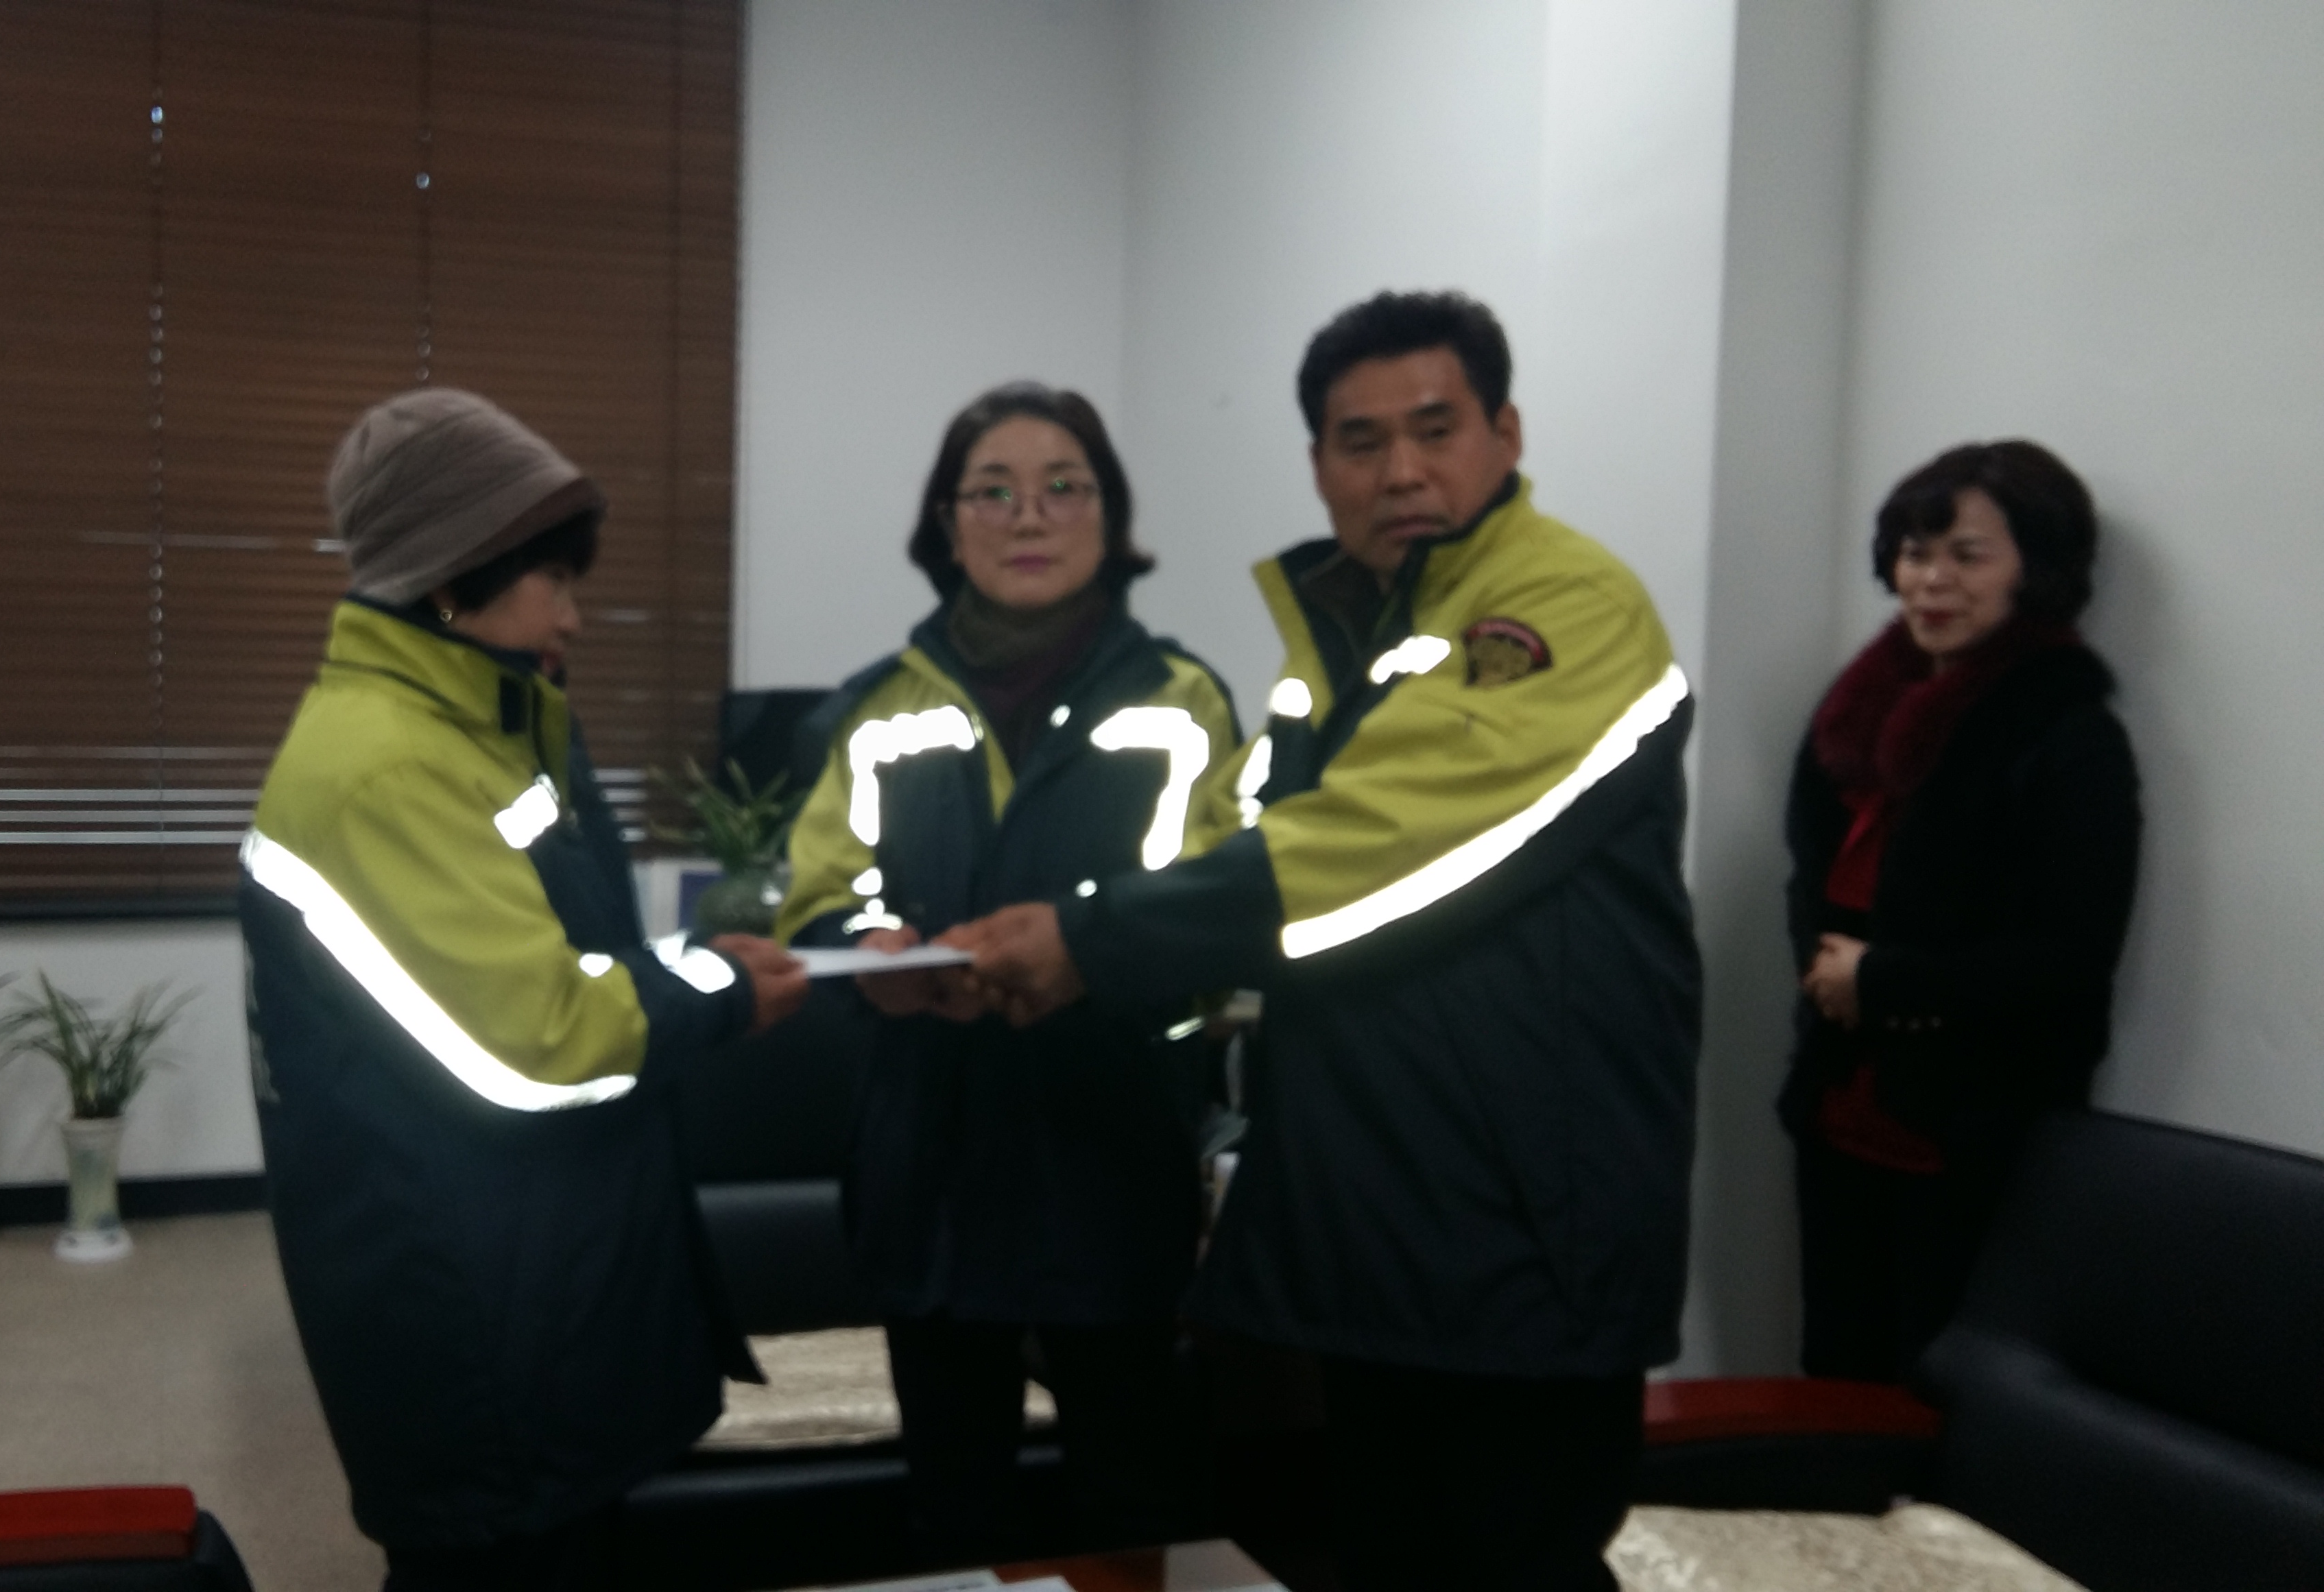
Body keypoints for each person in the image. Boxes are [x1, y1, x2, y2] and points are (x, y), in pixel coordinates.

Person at [952, 291, 1699, 1591]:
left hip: (1527, 1219)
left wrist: (1088, 939)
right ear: (1318, 464)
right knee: (1386, 1558)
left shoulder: (1561, 605)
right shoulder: (1349, 645)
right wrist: (1056, 951)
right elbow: (1250, 850)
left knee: (1519, 1564)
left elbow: (1381, 844)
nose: (1400, 470)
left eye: (1435, 429)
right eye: (1362, 441)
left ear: (1506, 433)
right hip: (1379, 1211)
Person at [237, 389, 807, 1591]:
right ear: (457, 574)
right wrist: (719, 988)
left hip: (539, 1283)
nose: (573, 614)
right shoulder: (383, 767)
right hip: (474, 1325)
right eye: (553, 578)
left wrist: (689, 964)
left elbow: (559, 958)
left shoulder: (483, 727)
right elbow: (539, 1041)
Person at [773, 383, 1238, 1561]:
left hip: (1111, 1156)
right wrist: (871, 949)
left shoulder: (1180, 701)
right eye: (993, 491)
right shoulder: (879, 708)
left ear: (1108, 514)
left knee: (1134, 1506)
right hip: (930, 1164)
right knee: (954, 1517)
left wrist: (1086, 948)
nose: (1029, 516)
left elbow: (1217, 912)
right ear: (948, 524)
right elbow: (819, 892)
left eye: (1062, 487)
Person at [1782, 440, 2138, 1382]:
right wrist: (1825, 972)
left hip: (1973, 1131)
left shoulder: (2070, 738)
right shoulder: (1860, 709)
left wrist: (1883, 982)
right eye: (1914, 551)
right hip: (1841, 1102)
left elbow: (2070, 957)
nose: (1932, 579)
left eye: (1966, 555)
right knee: (1836, 1373)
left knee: (1942, 1394)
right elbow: (1810, 876)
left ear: (2036, 568)